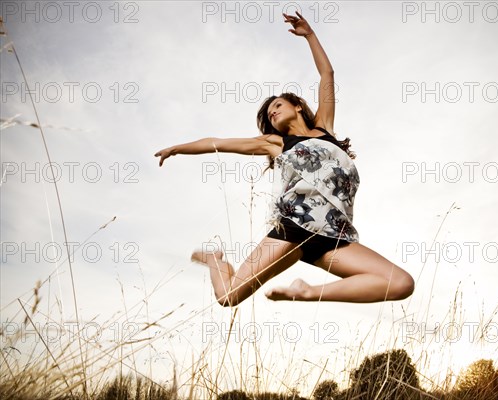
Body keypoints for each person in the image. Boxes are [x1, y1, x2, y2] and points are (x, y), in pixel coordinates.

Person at [154, 12, 414, 307]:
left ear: (298, 107)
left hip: (333, 234)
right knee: (228, 297)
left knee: (401, 283)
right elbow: (218, 143)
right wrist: (177, 148)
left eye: (277, 105)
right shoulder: (275, 144)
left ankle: (307, 292)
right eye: (269, 114)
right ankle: (217, 261)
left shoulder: (324, 129)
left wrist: (309, 35)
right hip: (293, 227)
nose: (273, 112)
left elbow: (327, 75)